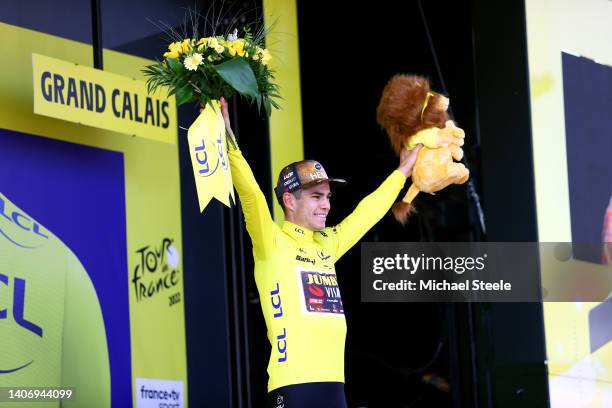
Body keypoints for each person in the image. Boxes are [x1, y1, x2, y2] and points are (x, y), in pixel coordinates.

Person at [220, 97, 421, 408]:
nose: (326, 204)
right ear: (289, 200)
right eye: (316, 196)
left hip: (335, 387)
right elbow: (250, 193)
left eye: (327, 196)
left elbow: (367, 213)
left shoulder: (327, 243)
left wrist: (403, 171)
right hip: (293, 388)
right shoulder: (271, 241)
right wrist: (227, 137)